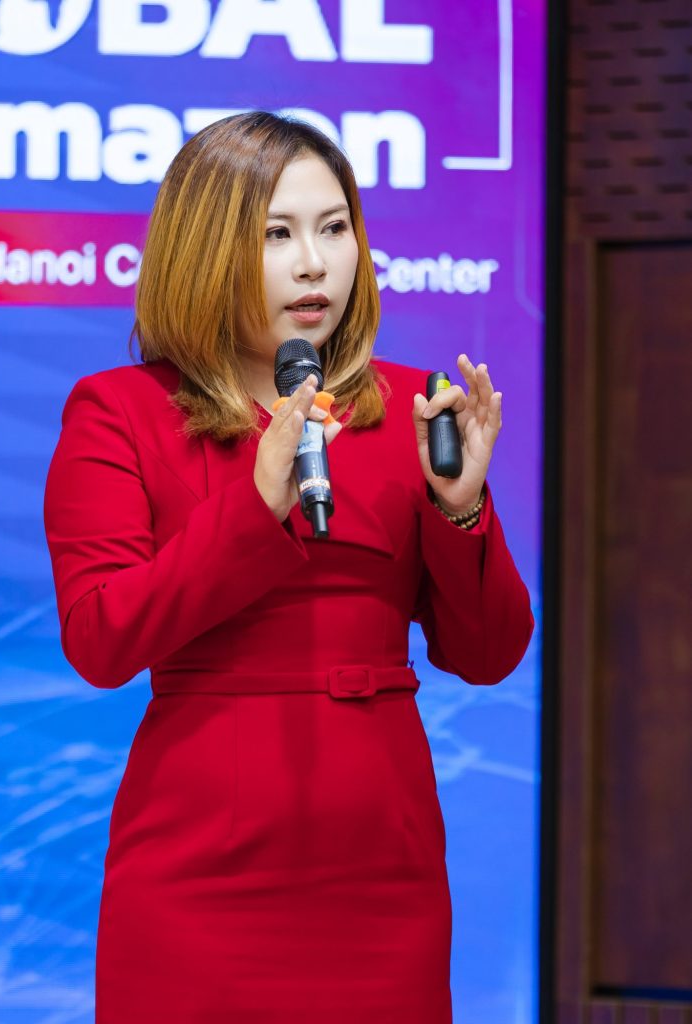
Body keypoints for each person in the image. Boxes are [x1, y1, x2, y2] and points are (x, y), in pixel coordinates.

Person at [43, 111, 534, 1023]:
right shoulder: (120, 411)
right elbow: (101, 639)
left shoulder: (413, 404)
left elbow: (489, 654)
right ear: (205, 250)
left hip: (380, 869)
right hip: (197, 869)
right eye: (277, 235)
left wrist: (461, 507)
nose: (315, 265)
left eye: (334, 228)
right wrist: (255, 504)